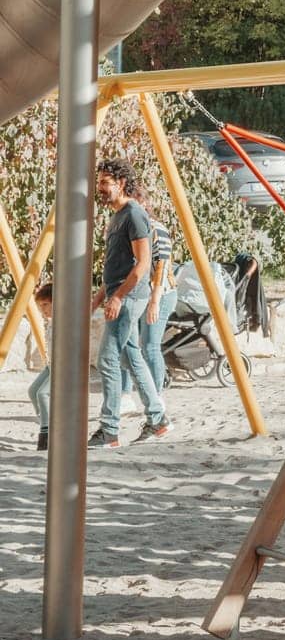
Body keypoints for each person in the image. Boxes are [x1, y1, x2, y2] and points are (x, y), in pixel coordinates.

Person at [89, 158, 169, 449]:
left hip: (130, 298)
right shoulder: (117, 216)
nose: (100, 188)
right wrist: (99, 298)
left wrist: (119, 297)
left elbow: (143, 264)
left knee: (108, 360)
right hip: (120, 296)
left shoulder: (134, 214)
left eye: (105, 182)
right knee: (131, 358)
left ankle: (109, 431)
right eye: (100, 182)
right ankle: (158, 420)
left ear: (121, 183)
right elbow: (115, 266)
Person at [121, 194, 178, 416]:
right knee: (127, 342)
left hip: (160, 293)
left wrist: (155, 301)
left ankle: (156, 396)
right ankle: (126, 395)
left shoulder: (156, 229)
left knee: (150, 345)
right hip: (139, 293)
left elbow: (161, 265)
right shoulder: (130, 229)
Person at [27, 281, 52, 452]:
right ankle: (46, 418)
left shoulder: (65, 320)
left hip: (63, 366)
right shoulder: (51, 321)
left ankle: (47, 432)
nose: (42, 309)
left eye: (45, 305)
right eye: (40, 306)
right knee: (33, 391)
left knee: (43, 393)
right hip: (51, 365)